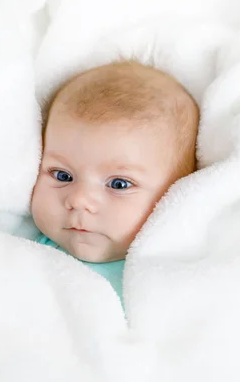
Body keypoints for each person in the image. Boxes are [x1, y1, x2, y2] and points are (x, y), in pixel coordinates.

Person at [30, 60, 200, 305]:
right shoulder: (29, 253)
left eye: (119, 184)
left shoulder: (172, 274)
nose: (79, 200)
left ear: (175, 192)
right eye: (62, 176)